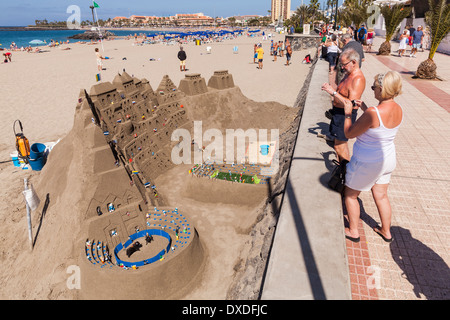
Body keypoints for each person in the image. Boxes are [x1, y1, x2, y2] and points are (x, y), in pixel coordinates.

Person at [342, 71, 403, 243]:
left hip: (368, 161)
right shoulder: (398, 109)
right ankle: (386, 230)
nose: (372, 90)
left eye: (374, 87)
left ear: (382, 89)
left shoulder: (373, 112)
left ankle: (354, 231)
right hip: (388, 158)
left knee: (351, 195)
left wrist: (348, 113)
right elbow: (379, 125)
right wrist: (365, 108)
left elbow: (349, 133)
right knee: (381, 195)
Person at [321, 48, 366, 163]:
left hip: (344, 115)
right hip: (338, 113)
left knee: (339, 146)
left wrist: (333, 92)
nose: (342, 67)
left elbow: (351, 104)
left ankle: (346, 171)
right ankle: (341, 169)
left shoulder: (358, 79)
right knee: (338, 144)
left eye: (344, 64)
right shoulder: (348, 74)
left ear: (354, 62)